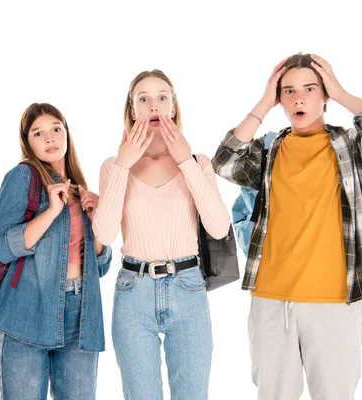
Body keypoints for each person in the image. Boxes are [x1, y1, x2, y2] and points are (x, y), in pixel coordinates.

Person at [212, 53, 362, 399]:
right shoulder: (270, 149)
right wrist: (262, 104)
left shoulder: (350, 148)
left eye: (310, 88)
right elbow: (224, 161)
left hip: (334, 303)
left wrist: (341, 91)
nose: (299, 98)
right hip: (273, 303)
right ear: (280, 99)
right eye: (288, 91)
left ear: (324, 95)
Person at [93, 70, 231, 399]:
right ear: (132, 110)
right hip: (133, 291)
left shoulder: (198, 162)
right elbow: (106, 232)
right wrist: (124, 166)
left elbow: (218, 227)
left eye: (161, 97)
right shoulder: (112, 166)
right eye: (143, 98)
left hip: (188, 288)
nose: (153, 105)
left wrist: (185, 161)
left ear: (173, 106)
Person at [0, 103, 112, 400]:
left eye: (56, 128)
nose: (50, 138)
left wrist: (98, 225)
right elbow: (3, 248)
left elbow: (101, 267)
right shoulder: (22, 177)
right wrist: (51, 211)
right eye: (38, 133)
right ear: (28, 142)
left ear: (67, 135)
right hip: (28, 311)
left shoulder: (80, 189)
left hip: (81, 314)